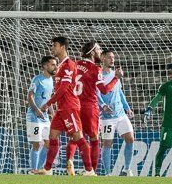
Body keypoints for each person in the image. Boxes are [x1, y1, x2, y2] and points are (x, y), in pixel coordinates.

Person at [40, 36, 95, 176]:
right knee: (53, 135)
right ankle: (47, 169)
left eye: (54, 46)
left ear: (62, 47)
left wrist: (47, 103)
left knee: (78, 137)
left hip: (70, 106)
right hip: (62, 107)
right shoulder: (60, 66)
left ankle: (90, 171)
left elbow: (64, 89)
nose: (52, 48)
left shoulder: (69, 64)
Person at [66, 41, 121, 174]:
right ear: (92, 52)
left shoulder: (75, 64)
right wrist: (116, 78)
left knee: (75, 136)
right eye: (98, 49)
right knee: (95, 139)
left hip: (74, 105)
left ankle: (70, 160)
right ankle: (91, 171)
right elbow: (104, 90)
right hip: (89, 107)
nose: (100, 51)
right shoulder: (95, 69)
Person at [97, 49, 135, 176]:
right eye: (109, 57)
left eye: (113, 57)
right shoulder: (99, 74)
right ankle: (108, 173)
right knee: (107, 143)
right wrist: (103, 106)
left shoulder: (116, 75)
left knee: (130, 138)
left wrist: (127, 107)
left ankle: (126, 169)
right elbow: (96, 94)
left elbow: (119, 92)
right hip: (107, 117)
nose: (112, 59)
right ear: (102, 58)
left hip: (120, 114)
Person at [26, 56, 56, 174]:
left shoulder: (51, 80)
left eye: (55, 64)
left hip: (45, 117)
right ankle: (34, 169)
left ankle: (39, 169)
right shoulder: (37, 79)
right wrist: (37, 110)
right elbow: (30, 96)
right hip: (34, 117)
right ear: (45, 66)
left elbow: (49, 100)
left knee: (48, 144)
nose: (55, 67)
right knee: (37, 144)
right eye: (52, 65)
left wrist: (53, 114)